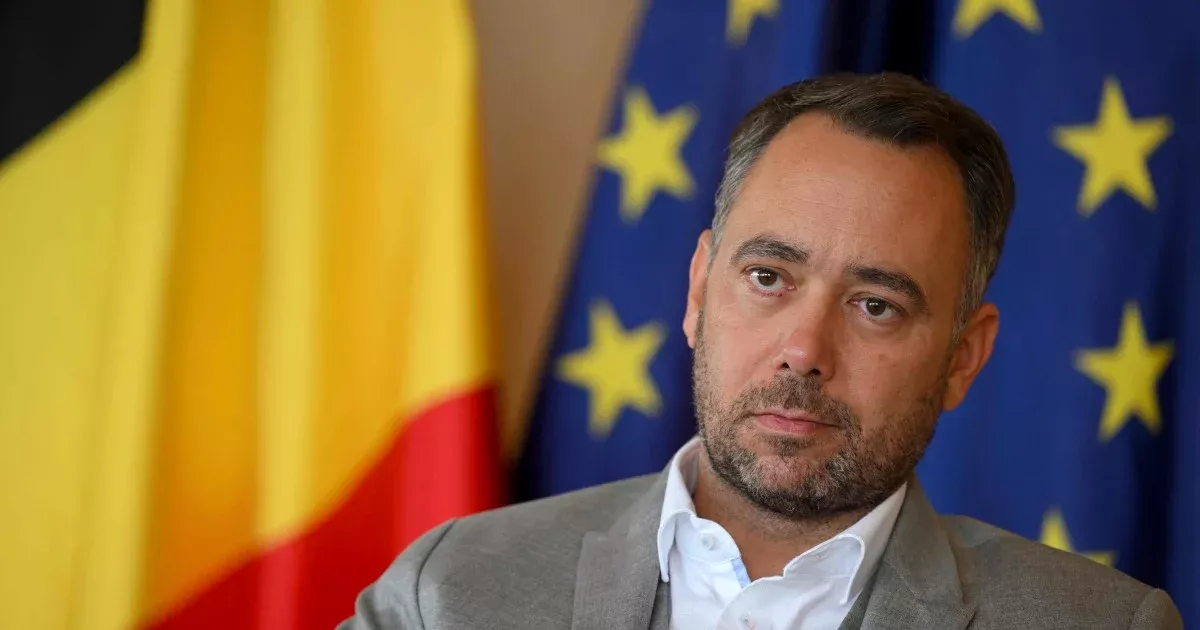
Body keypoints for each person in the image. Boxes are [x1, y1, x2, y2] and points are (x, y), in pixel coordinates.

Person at [339, 73, 1182, 630]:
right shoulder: (453, 590)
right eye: (769, 277)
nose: (804, 351)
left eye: (876, 304)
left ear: (963, 357)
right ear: (699, 290)